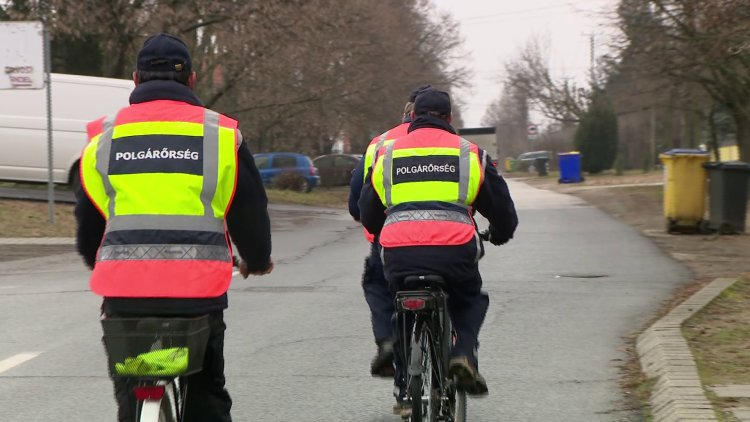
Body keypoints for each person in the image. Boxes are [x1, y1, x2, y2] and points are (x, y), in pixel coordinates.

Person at [75, 33, 273, 422]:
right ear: (193, 80)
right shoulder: (221, 133)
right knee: (206, 390)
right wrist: (258, 258)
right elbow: (249, 209)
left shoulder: (103, 136)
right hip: (198, 292)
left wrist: (94, 259)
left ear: (135, 79)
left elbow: (89, 216)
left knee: (132, 387)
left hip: (125, 292)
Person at [358, 88, 518, 396]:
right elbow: (501, 209)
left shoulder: (387, 152)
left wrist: (388, 228)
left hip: (398, 253)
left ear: (412, 116)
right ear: (449, 118)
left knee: (393, 295)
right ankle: (463, 356)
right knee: (471, 299)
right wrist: (500, 232)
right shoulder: (469, 153)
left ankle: (395, 346)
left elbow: (368, 212)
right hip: (455, 250)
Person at [348, 85, 431, 412]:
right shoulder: (458, 146)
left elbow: (358, 202)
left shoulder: (380, 144)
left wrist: (373, 224)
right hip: (448, 242)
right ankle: (455, 356)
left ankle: (393, 360)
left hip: (391, 243)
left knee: (380, 286)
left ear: (407, 113)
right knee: (457, 290)